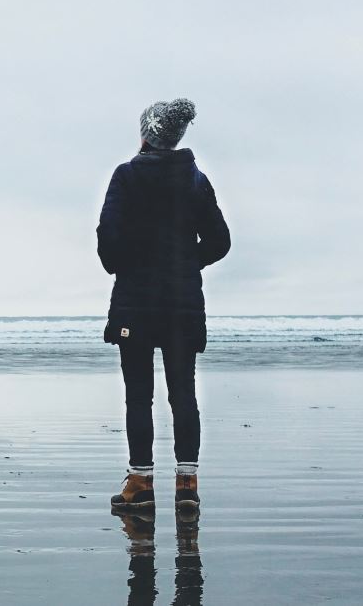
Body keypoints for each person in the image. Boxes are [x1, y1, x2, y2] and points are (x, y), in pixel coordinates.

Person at [96, 98, 231, 511]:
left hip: (135, 306)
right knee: (183, 393)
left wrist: (130, 263)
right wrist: (186, 262)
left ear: (147, 134)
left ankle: (141, 482)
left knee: (139, 396)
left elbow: (107, 245)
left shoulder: (126, 177)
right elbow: (220, 242)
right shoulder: (196, 180)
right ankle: (187, 485)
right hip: (182, 304)